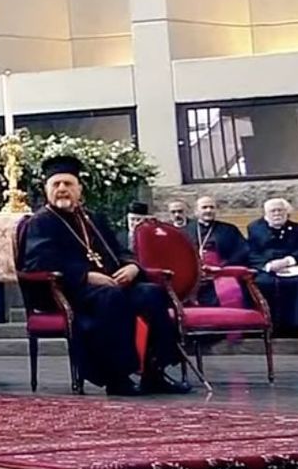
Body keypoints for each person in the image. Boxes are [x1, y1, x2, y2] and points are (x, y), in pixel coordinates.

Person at [19, 155, 188, 396]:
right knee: (111, 297)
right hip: (69, 289)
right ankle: (116, 377)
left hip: (110, 286)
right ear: (46, 190)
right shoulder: (40, 222)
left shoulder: (93, 218)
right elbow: (37, 262)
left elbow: (120, 252)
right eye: (56, 185)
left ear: (79, 189)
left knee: (150, 293)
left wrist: (132, 268)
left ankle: (154, 371)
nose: (62, 189)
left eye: (68, 184)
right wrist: (86, 276)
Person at [247, 198, 298, 336]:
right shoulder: (254, 228)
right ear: (265, 213)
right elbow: (252, 253)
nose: (277, 214)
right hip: (267, 269)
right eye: (273, 211)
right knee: (262, 283)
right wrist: (269, 265)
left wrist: (288, 261)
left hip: (292, 267)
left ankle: (296, 329)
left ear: (287, 212)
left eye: (280, 210)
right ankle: (268, 326)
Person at [184, 196, 249, 306]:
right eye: (204, 207)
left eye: (212, 207)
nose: (208, 210)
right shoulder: (185, 231)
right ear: (196, 211)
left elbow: (242, 251)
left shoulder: (229, 229)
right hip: (194, 275)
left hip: (222, 272)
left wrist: (222, 266)